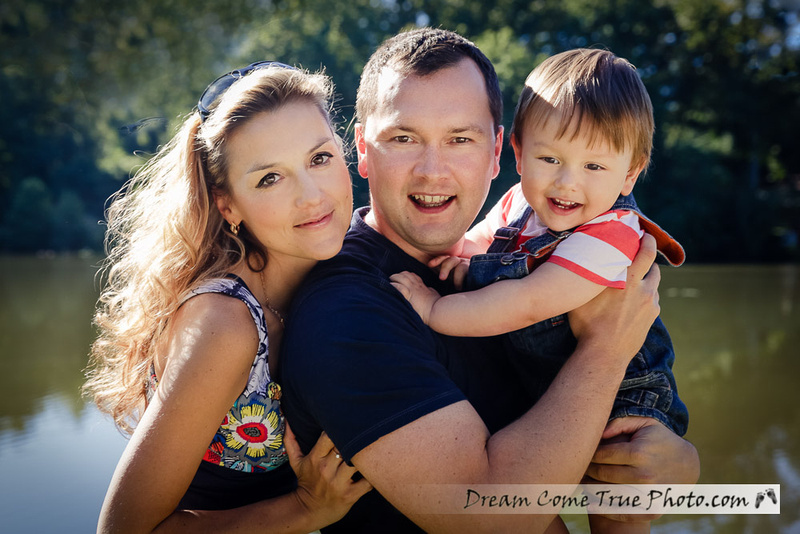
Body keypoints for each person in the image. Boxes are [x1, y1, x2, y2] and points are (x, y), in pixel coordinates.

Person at [279, 28, 700, 533]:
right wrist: (608, 347)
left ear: (498, 151)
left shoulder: (493, 257)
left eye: (460, 139)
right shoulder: (347, 309)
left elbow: (557, 436)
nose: (433, 171)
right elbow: (491, 518)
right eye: (404, 138)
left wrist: (673, 466)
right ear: (363, 150)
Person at [389, 47, 687, 533]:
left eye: (595, 167)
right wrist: (458, 257)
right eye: (550, 158)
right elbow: (479, 242)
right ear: (520, 153)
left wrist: (434, 308)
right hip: (551, 387)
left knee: (615, 508)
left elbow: (525, 303)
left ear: (630, 172)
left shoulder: (611, 234)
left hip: (626, 398)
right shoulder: (519, 203)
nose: (567, 183)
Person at [83, 61, 371, 533]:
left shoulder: (337, 268)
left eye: (319, 158)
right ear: (227, 204)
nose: (312, 194)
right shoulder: (224, 323)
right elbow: (121, 529)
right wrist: (307, 508)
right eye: (269, 178)